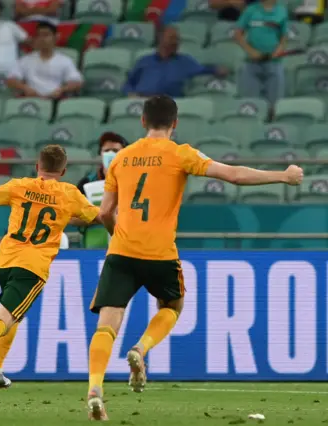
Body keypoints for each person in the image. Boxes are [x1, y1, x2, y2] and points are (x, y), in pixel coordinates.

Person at [84, 95, 304, 420]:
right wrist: (283, 176)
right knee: (172, 306)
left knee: (108, 323)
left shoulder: (120, 159)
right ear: (174, 124)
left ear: (143, 122)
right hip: (159, 253)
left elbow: (104, 212)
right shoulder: (180, 154)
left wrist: (118, 233)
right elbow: (234, 175)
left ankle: (94, 388)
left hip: (121, 251)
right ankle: (141, 349)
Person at [0, 145, 112, 388]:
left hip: (5, 261)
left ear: (37, 166)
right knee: (5, 318)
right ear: (64, 170)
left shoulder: (19, 186)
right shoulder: (69, 194)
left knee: (15, 315)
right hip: (32, 267)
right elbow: (99, 217)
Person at [122, 26, 228, 98]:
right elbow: (129, 83)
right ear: (160, 39)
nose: (175, 42)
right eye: (172, 38)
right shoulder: (144, 61)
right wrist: (131, 94)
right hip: (142, 101)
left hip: (168, 104)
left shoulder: (184, 62)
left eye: (177, 39)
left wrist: (217, 69)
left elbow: (203, 69)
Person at [234, 0, 288, 111]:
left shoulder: (282, 11)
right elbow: (238, 35)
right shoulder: (250, 10)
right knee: (251, 105)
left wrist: (279, 49)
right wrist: (250, 51)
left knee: (275, 106)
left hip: (274, 63)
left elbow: (284, 36)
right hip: (251, 64)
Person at [7, 22, 82, 99]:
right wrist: (24, 88)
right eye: (39, 35)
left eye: (46, 35)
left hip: (55, 100)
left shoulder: (65, 60)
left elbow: (77, 82)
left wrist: (62, 90)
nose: (42, 39)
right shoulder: (26, 59)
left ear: (56, 37)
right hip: (32, 99)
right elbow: (11, 80)